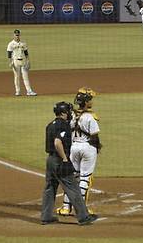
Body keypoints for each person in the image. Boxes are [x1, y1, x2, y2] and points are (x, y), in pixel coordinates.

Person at [41, 101, 98, 226]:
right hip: (59, 160)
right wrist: (65, 159)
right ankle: (84, 217)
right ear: (62, 113)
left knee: (49, 188)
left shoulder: (50, 124)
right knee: (73, 187)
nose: (69, 113)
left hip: (50, 160)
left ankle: (46, 216)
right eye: (67, 111)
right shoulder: (63, 125)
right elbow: (57, 142)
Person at [57, 87, 102, 217]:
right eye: (90, 99)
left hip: (73, 148)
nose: (92, 101)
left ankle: (66, 207)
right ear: (86, 102)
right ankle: (82, 209)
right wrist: (98, 148)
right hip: (87, 147)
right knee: (85, 178)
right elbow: (94, 136)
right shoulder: (90, 117)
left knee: (72, 178)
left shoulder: (72, 116)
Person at [7, 29, 36, 96]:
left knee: (25, 76)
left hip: (23, 61)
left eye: (18, 35)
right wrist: (10, 62)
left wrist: (28, 61)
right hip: (15, 61)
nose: (17, 36)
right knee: (17, 77)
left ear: (19, 35)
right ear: (13, 35)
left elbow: (26, 53)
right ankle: (18, 91)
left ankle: (29, 91)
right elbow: (9, 54)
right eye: (16, 35)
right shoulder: (11, 44)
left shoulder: (23, 43)